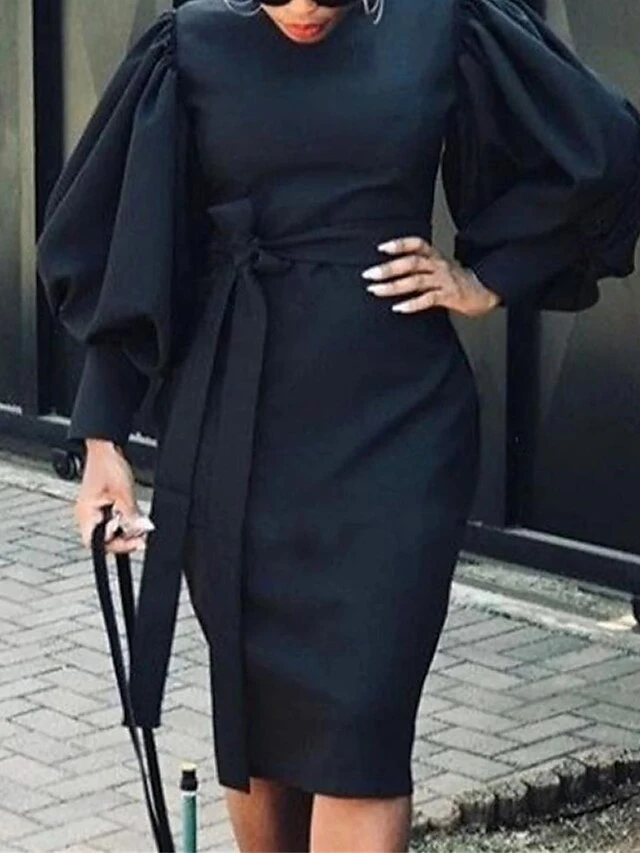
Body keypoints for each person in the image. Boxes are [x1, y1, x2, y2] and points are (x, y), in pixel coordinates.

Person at [36, 0, 640, 850]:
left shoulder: (443, 23)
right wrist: (102, 441)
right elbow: (137, 247)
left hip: (397, 438)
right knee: (260, 735)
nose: (304, 8)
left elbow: (602, 150)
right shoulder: (190, 45)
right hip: (235, 442)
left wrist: (489, 277)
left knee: (363, 740)